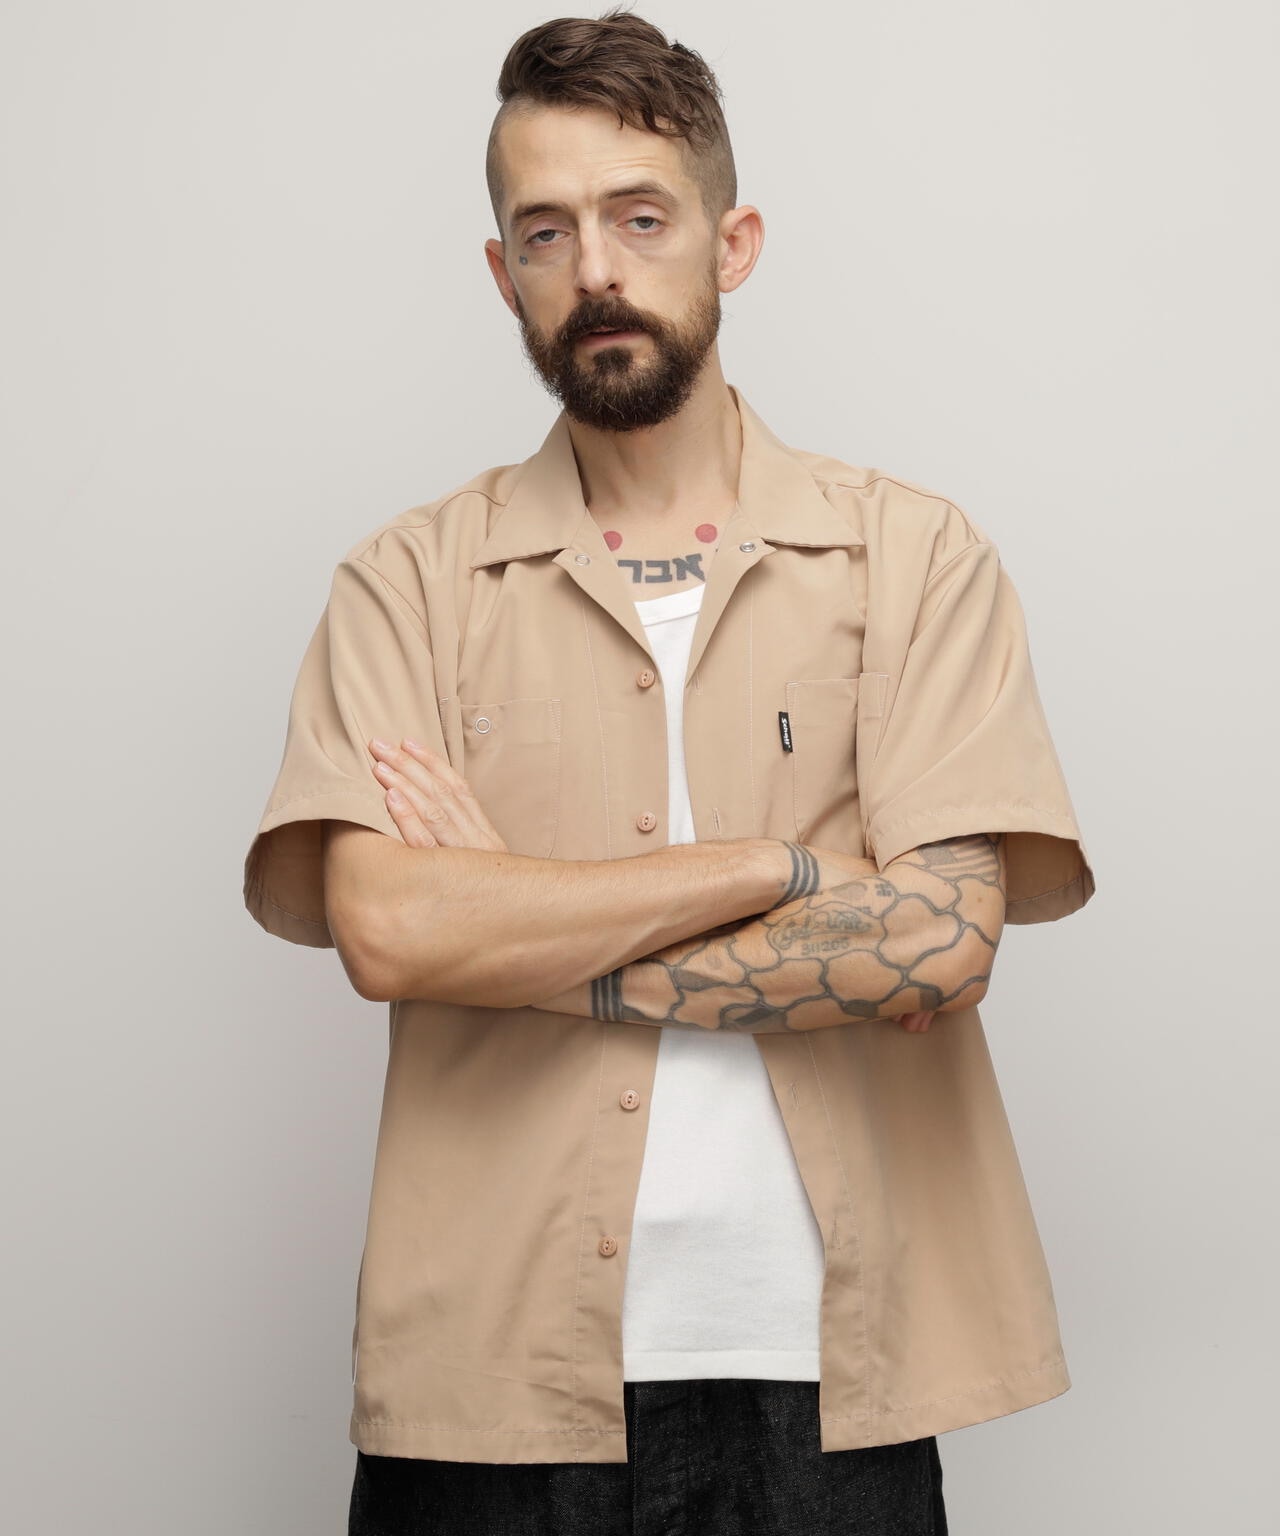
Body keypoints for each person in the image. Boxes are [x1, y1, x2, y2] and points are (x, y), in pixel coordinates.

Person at [243, 10, 1096, 1533]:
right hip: (491, 1380)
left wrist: (511, 927)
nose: (596, 269)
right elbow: (389, 930)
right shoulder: (408, 584)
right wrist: (775, 871)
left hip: (833, 1388)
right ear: (502, 272)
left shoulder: (913, 558)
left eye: (641, 218)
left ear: (732, 241)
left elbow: (940, 941)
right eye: (547, 231)